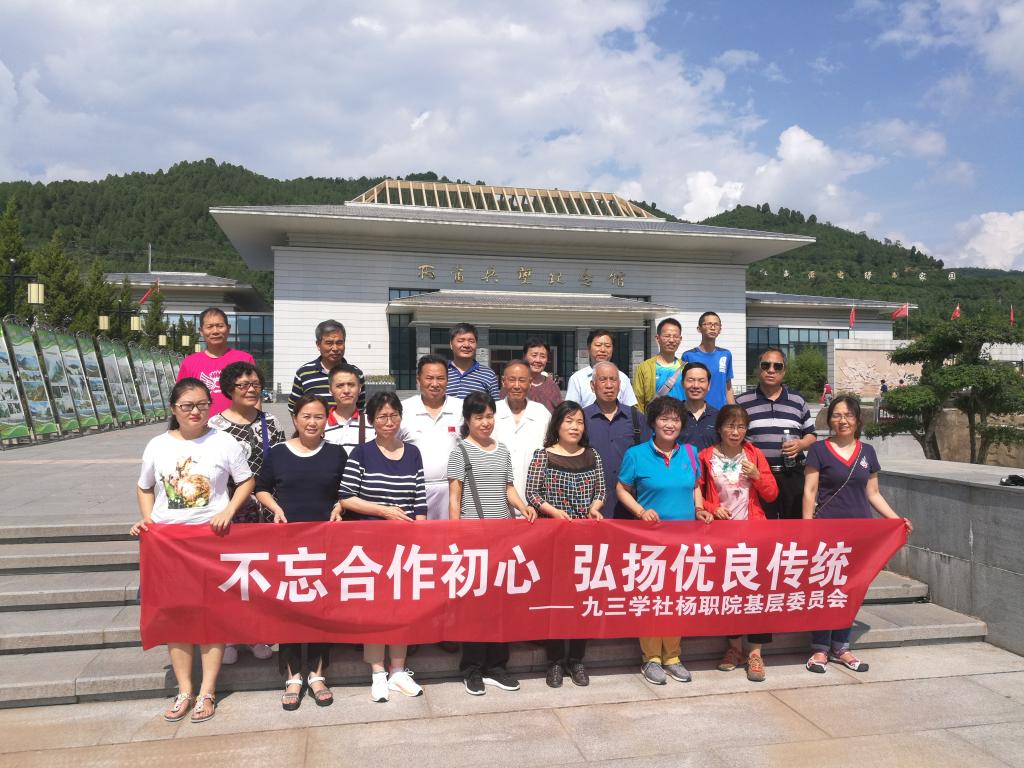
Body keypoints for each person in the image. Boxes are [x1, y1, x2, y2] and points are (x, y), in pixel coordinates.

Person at [130, 378, 255, 724]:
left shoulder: (224, 441)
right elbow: (144, 487)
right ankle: (185, 690)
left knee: (211, 615)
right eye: (187, 406)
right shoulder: (157, 445)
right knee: (176, 616)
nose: (195, 411)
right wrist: (148, 521)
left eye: (202, 404)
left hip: (211, 540)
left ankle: (208, 690)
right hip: (169, 545)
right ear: (174, 409)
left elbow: (246, 480)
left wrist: (229, 510)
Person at [803, 396, 913, 675]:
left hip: (860, 534)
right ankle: (820, 647)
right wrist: (806, 528)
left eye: (848, 415)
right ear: (829, 419)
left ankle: (841, 646)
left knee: (850, 590)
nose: (842, 421)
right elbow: (810, 491)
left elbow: (873, 493)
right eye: (837, 415)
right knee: (826, 588)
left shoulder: (867, 452)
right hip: (827, 532)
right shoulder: (818, 450)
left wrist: (896, 520)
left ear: (857, 420)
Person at [255, 395, 347, 710]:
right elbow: (261, 487)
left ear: (326, 420)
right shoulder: (279, 453)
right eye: (306, 416)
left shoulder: (336, 453)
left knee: (322, 606)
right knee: (289, 607)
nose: (312, 422)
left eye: (319, 416)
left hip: (325, 543)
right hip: (288, 543)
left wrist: (339, 506)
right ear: (295, 419)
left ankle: (318, 673)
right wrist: (276, 508)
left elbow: (347, 490)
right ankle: (293, 675)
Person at [616, 396, 711, 686]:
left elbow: (695, 486)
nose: (670, 424)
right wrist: (640, 511)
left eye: (675, 419)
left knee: (677, 599)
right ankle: (651, 658)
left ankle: (672, 656)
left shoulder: (690, 453)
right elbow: (622, 489)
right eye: (664, 419)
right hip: (651, 542)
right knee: (652, 598)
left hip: (684, 541)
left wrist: (699, 508)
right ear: (653, 423)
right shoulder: (636, 454)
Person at [339, 391, 426, 702]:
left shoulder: (413, 453)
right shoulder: (361, 453)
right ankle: (377, 672)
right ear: (372, 421)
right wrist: (384, 511)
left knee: (402, 606)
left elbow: (419, 500)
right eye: (382, 417)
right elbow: (346, 497)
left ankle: (398, 670)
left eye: (393, 416)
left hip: (405, 545)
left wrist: (421, 533)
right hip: (370, 544)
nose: (389, 422)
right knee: (375, 608)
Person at [448, 392, 536, 696]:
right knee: (474, 606)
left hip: (503, 537)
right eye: (478, 417)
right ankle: (472, 669)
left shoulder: (503, 450)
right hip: (473, 539)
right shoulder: (460, 452)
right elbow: (455, 498)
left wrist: (523, 506)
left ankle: (497, 666)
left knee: (501, 605)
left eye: (489, 416)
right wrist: (456, 536)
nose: (485, 422)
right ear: (468, 420)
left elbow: (508, 488)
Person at [209, 361, 285, 666]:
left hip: (265, 511)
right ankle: (228, 636)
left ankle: (255, 634)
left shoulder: (271, 422)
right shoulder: (215, 426)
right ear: (229, 389)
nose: (251, 390)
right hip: (229, 512)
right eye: (243, 385)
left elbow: (280, 464)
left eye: (255, 385)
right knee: (230, 576)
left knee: (258, 575)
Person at [524, 401, 604, 688]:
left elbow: (601, 490)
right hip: (553, 538)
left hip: (585, 540)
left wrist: (595, 507)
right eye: (569, 421)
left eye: (579, 422)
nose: (574, 427)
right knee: (555, 600)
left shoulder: (592, 455)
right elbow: (532, 493)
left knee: (582, 599)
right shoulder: (543, 455)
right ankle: (555, 661)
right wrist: (555, 512)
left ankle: (577, 659)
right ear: (557, 425)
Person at [698, 404, 779, 683]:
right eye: (730, 426)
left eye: (741, 426)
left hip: (754, 534)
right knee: (728, 593)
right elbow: (696, 495)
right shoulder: (706, 457)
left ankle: (755, 653)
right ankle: (733, 648)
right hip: (722, 537)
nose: (735, 432)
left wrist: (757, 475)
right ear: (719, 428)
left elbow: (772, 494)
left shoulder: (754, 454)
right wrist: (712, 507)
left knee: (757, 593)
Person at [735, 348, 817, 520]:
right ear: (758, 369)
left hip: (792, 474)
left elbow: (811, 435)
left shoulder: (797, 400)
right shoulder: (742, 402)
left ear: (784, 371)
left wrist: (801, 444)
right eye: (766, 365)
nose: (771, 370)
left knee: (794, 526)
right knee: (761, 527)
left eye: (777, 366)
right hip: (757, 476)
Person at [584, 361, 650, 519]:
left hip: (631, 505)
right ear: (593, 386)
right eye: (603, 380)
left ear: (620, 385)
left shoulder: (636, 418)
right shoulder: (581, 419)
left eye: (613, 380)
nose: (609, 385)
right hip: (591, 505)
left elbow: (647, 457)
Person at [400, 355, 463, 520]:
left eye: (440, 378)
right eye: (429, 378)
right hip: (414, 491)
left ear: (447, 380)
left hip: (453, 490)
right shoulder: (404, 409)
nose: (435, 384)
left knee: (450, 535)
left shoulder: (461, 408)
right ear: (418, 380)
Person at [176, 308, 255, 416]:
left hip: (239, 423)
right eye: (209, 327)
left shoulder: (245, 359)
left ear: (228, 328)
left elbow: (255, 396)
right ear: (201, 331)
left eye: (220, 326)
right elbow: (180, 398)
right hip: (201, 424)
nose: (215, 331)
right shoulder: (189, 363)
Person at [494, 360, 550, 503]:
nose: (517, 386)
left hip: (533, 501)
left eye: (522, 380)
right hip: (496, 500)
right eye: (512, 380)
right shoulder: (492, 413)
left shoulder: (542, 413)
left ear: (530, 383)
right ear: (503, 381)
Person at [289, 320, 365, 412]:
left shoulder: (356, 374)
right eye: (329, 343)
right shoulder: (304, 373)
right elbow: (293, 407)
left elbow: (361, 408)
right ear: (318, 345)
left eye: (339, 343)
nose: (335, 348)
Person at [565, 329, 637, 409]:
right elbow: (571, 410)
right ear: (589, 348)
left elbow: (630, 408)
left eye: (607, 346)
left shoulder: (623, 378)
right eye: (598, 345)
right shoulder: (577, 379)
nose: (603, 350)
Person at [682, 311, 735, 409]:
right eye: (708, 324)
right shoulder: (688, 356)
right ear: (699, 329)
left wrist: (733, 411)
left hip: (721, 412)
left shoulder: (726, 355)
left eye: (716, 324)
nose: (713, 327)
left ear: (720, 329)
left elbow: (728, 388)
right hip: (696, 411)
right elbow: (684, 388)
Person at [632, 317, 685, 412]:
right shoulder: (644, 368)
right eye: (667, 336)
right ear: (657, 338)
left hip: (681, 418)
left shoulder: (686, 368)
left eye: (675, 336)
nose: (671, 340)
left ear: (680, 339)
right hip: (653, 420)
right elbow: (638, 401)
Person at [323, 362, 375, 454]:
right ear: (330, 390)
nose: (346, 391)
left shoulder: (372, 423)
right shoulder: (321, 424)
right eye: (340, 386)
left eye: (351, 385)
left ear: (359, 388)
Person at [445, 323, 500, 399]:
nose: (466, 345)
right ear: (451, 344)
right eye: (461, 341)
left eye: (471, 341)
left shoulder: (488, 374)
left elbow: (495, 404)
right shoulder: (441, 371)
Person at [679, 362, 718, 451]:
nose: (696, 386)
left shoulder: (719, 417)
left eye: (701, 381)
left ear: (709, 385)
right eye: (690, 380)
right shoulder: (673, 415)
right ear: (682, 383)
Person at [518, 336, 562, 413]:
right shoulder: (513, 384)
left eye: (542, 356)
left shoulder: (553, 387)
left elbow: (559, 414)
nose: (538, 360)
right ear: (524, 356)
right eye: (534, 355)